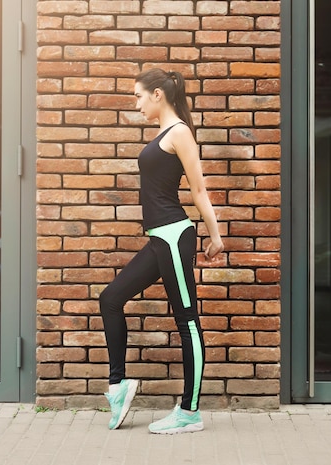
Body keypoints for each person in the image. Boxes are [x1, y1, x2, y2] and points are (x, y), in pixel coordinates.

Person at [99, 68, 224, 434]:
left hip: (174, 236)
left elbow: (199, 190)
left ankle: (190, 411)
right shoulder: (163, 134)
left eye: (138, 96)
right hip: (160, 238)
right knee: (110, 298)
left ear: (157, 95)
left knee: (187, 322)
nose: (136, 104)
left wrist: (215, 236)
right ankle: (119, 386)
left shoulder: (180, 132)